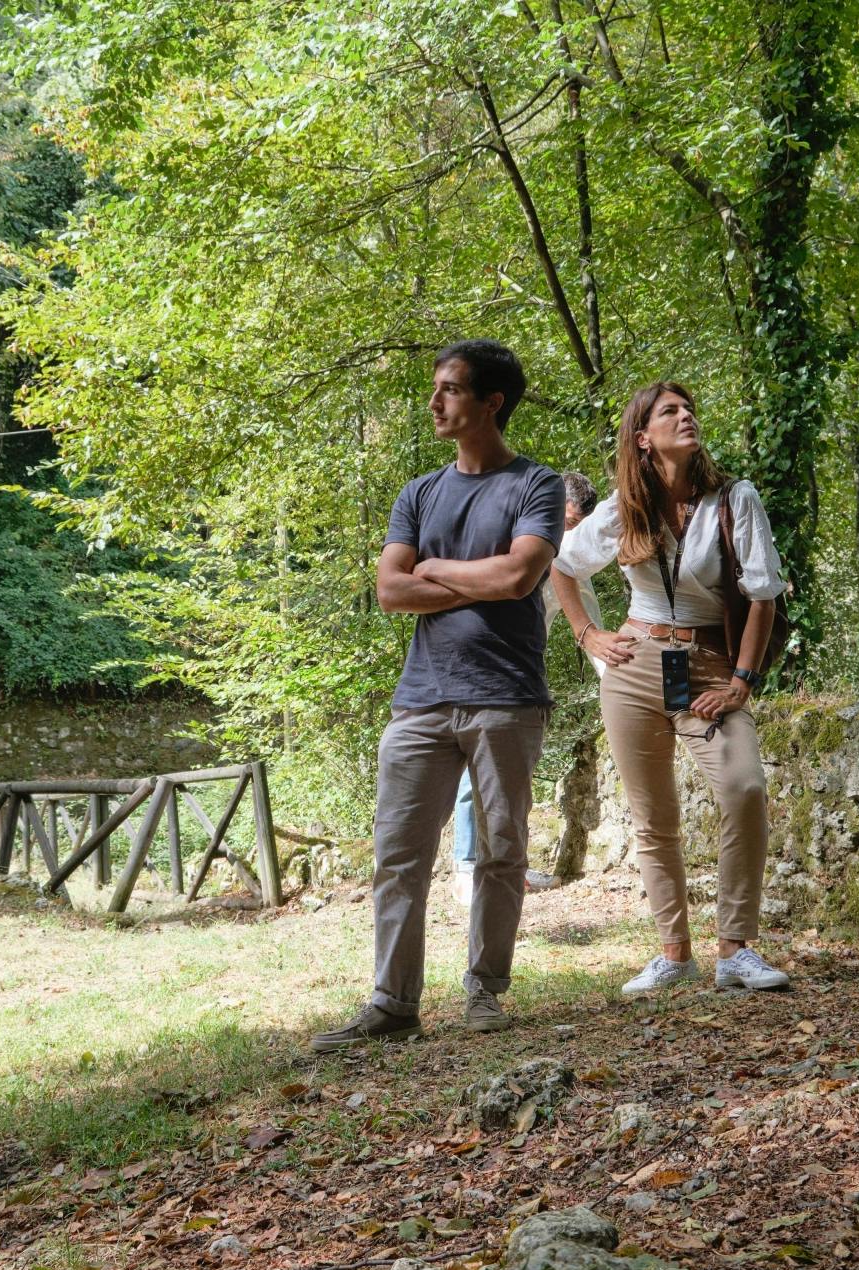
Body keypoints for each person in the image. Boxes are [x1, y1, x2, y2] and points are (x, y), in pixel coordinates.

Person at [311, 340, 565, 1051]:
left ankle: (485, 992)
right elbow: (391, 591)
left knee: (501, 851)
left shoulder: (535, 486)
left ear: (493, 403)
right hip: (420, 699)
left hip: (506, 696)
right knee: (398, 854)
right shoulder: (418, 492)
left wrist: (437, 569)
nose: (435, 402)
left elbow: (519, 579)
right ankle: (393, 1005)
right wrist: (471, 576)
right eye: (436, 388)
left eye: (451, 390)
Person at [552, 381, 791, 996]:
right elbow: (562, 564)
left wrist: (742, 680)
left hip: (710, 662)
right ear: (643, 436)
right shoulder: (623, 506)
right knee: (652, 818)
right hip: (633, 663)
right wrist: (588, 635)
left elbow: (763, 597)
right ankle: (673, 953)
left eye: (690, 409)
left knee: (743, 788)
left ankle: (735, 949)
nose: (686, 417)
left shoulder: (734, 499)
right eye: (670, 412)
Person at [450, 470, 605, 907]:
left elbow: (589, 628)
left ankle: (509, 866)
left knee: (515, 772)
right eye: (564, 521)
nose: (564, 534)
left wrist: (618, 683)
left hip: (524, 676)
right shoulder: (504, 538)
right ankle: (465, 867)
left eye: (574, 528)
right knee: (474, 767)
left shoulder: (569, 562)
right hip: (481, 666)